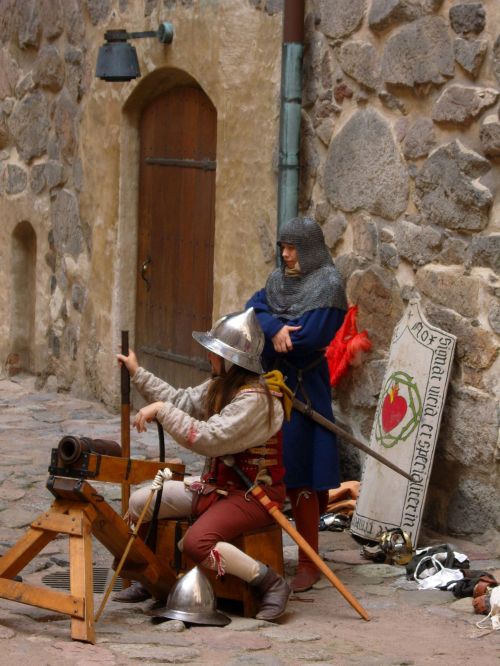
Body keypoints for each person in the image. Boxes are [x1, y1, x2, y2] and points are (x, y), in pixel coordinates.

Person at [113, 308, 292, 621]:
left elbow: (209, 437)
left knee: (196, 543)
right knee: (141, 502)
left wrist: (161, 411)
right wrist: (137, 372)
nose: (209, 357)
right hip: (218, 487)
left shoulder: (257, 400)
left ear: (232, 359)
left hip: (254, 495)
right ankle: (153, 576)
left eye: (215, 352)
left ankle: (269, 583)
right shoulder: (222, 386)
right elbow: (180, 401)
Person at [246, 217, 347, 593]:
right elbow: (252, 308)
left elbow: (311, 336)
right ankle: (267, 549)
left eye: (291, 248)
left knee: (303, 472)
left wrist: (277, 331)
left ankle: (309, 561)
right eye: (283, 247)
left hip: (304, 386)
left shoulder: (329, 285)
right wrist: (273, 328)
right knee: (269, 467)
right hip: (272, 384)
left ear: (310, 248)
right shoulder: (278, 280)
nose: (285, 254)